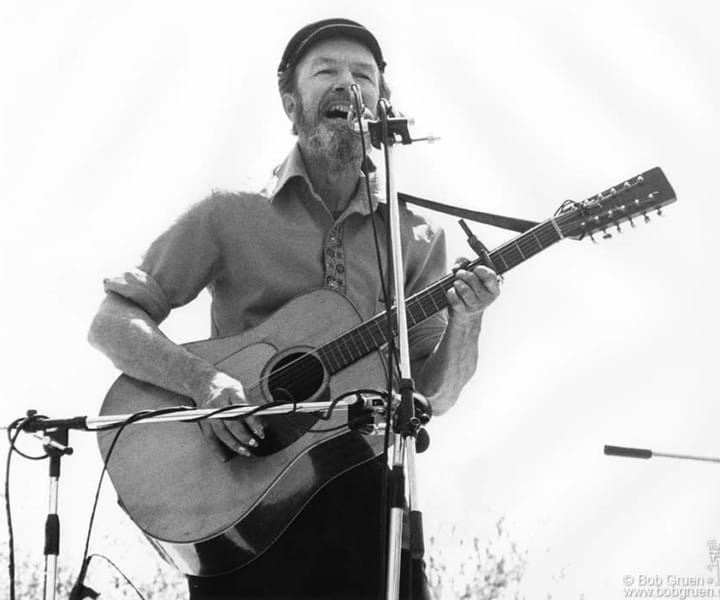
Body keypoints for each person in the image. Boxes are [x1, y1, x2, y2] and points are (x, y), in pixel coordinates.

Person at [88, 18, 500, 600]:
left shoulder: (417, 235)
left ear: (384, 102)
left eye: (363, 74)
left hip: (371, 502)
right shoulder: (228, 215)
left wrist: (468, 319)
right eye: (326, 71)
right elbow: (111, 324)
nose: (348, 84)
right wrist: (205, 383)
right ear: (291, 103)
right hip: (240, 498)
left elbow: (434, 395)